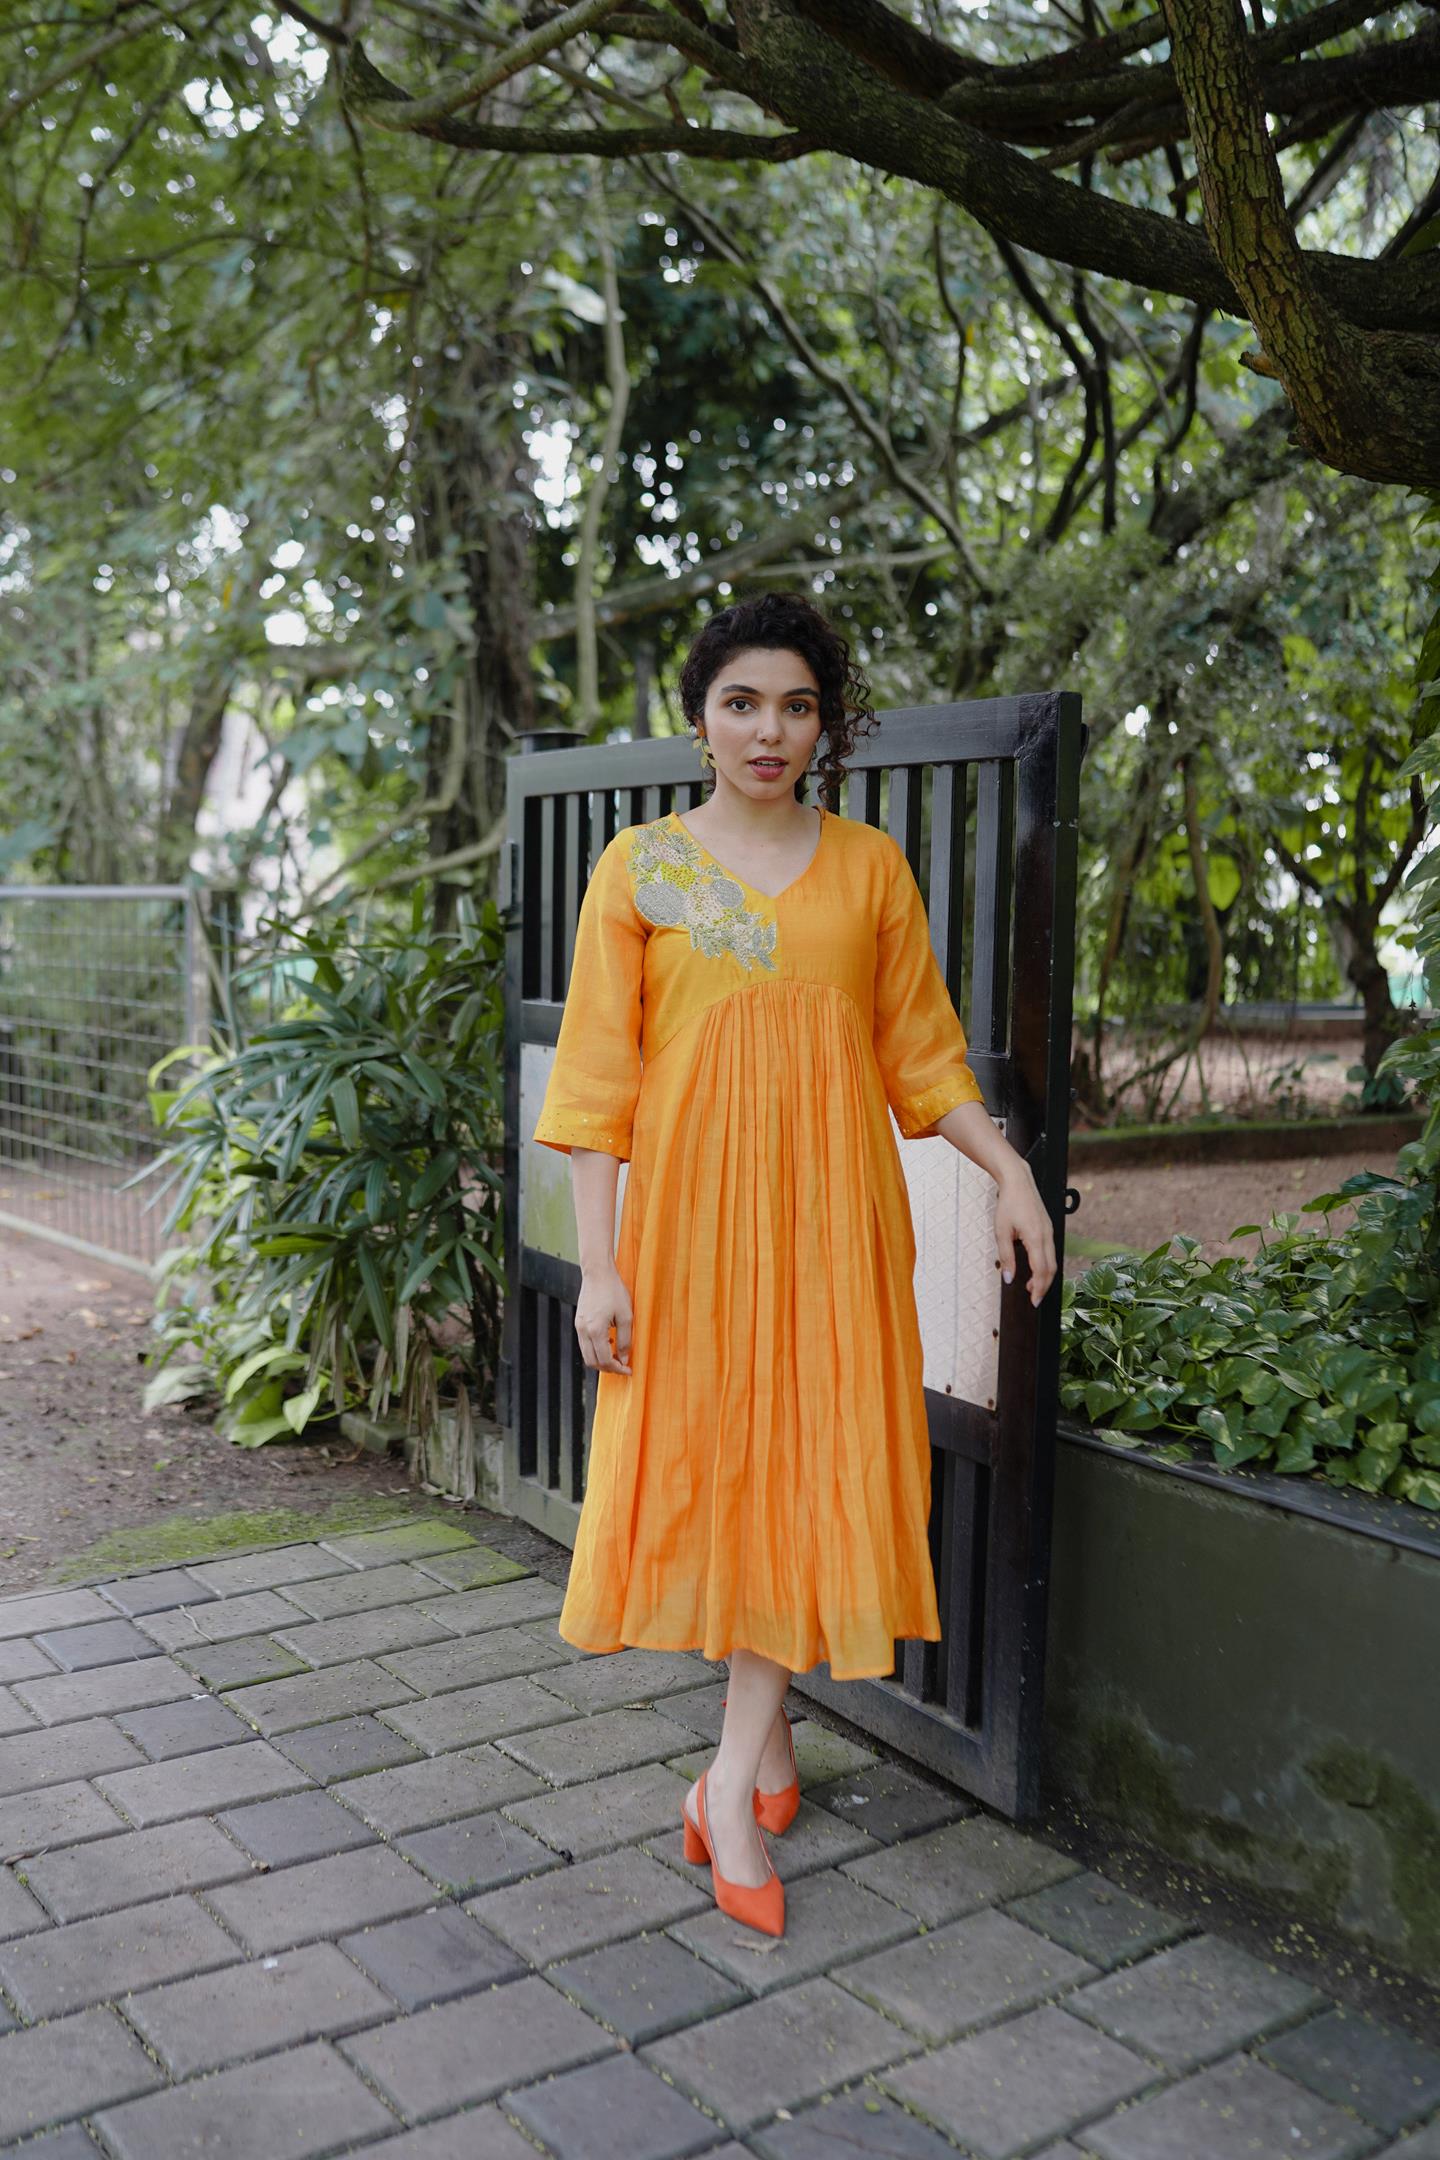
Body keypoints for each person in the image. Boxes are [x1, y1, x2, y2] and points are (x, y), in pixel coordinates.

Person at [531, 591, 1056, 1937]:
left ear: (829, 722)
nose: (770, 730)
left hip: (834, 1230)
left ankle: (723, 1782)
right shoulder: (638, 869)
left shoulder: (872, 868)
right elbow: (597, 1083)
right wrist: (599, 1268)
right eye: (742, 703)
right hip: (692, 1234)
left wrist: (1005, 1172)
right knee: (723, 1468)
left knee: (806, 1463)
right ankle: (760, 1750)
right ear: (700, 718)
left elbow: (925, 1059)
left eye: (799, 705)